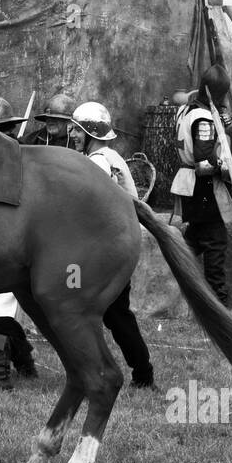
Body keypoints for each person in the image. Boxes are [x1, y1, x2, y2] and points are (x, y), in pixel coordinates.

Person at [69, 101, 154, 387]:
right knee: (113, 314)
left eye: (79, 131)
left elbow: (93, 208)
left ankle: (137, 373)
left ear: (92, 134)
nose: (74, 135)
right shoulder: (108, 156)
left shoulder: (100, 162)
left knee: (109, 314)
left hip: (109, 251)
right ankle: (138, 372)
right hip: (113, 248)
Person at [0, 97, 38, 389]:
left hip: (23, 237)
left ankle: (10, 364)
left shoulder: (18, 155)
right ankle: (13, 363)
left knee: (3, 305)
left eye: (8, 129)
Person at [169, 65, 232, 305]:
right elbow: (203, 159)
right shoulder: (203, 118)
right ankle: (217, 299)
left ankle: (175, 286)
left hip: (192, 187)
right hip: (202, 186)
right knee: (215, 242)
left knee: (196, 238)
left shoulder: (187, 109)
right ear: (215, 93)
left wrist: (220, 116)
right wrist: (226, 167)